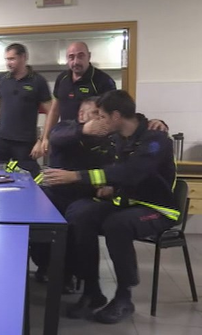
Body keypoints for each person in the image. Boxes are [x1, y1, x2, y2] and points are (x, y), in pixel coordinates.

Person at [44, 91, 179, 324]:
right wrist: (107, 187)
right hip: (126, 203)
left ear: (116, 116)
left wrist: (76, 176)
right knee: (80, 212)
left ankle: (124, 298)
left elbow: (131, 173)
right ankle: (91, 290)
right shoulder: (118, 138)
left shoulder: (156, 140)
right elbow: (113, 171)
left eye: (102, 116)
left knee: (117, 225)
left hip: (158, 209)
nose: (98, 121)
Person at [33, 95, 113, 292]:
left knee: (78, 219)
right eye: (95, 114)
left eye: (102, 116)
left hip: (85, 197)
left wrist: (110, 186)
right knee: (37, 213)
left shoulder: (107, 140)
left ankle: (77, 278)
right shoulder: (65, 128)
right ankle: (45, 266)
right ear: (81, 115)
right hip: (54, 193)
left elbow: (113, 170)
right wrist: (83, 130)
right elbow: (56, 137)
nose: (100, 120)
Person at [0, 43, 52, 181]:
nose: (9, 63)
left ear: (24, 57)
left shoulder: (38, 81)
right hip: (1, 138)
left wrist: (43, 140)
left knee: (29, 179)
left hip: (25, 142)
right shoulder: (2, 79)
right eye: (7, 59)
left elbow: (52, 112)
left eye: (12, 59)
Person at [39, 40, 119, 150]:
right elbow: (54, 110)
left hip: (91, 145)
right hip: (65, 139)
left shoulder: (103, 81)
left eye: (80, 56)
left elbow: (111, 116)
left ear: (89, 56)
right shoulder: (62, 79)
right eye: (71, 57)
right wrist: (45, 138)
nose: (76, 61)